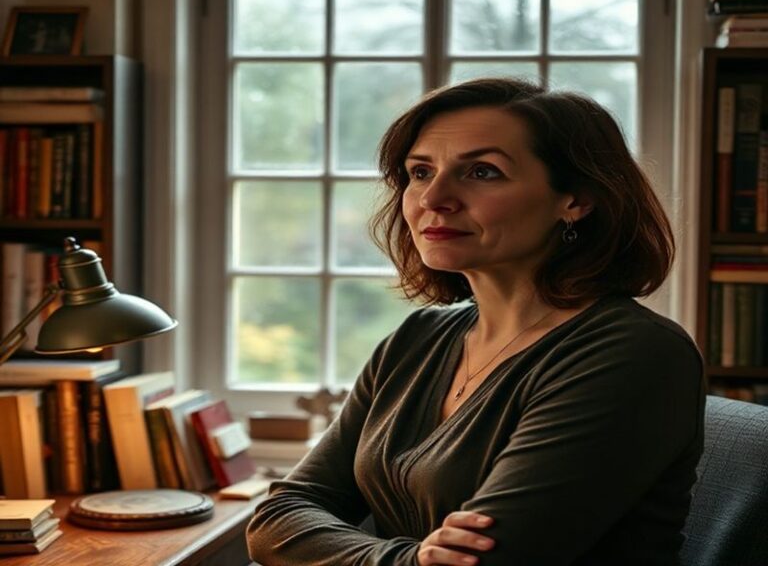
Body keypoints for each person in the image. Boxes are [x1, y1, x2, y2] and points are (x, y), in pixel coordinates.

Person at [246, 77, 705, 565]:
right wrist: (407, 561)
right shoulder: (415, 339)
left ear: (576, 200)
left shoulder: (634, 354)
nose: (433, 198)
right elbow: (277, 516)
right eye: (420, 172)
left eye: (482, 172)